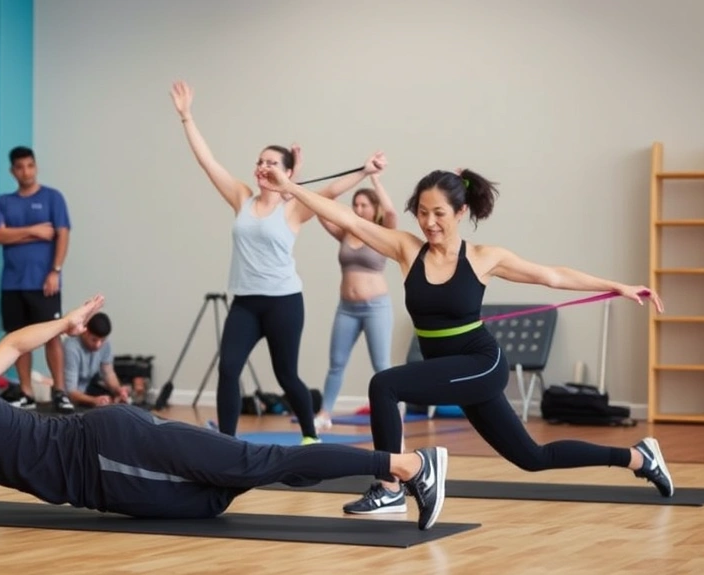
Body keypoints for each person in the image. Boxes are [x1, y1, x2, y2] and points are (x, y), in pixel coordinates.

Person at [257, 163, 675, 516]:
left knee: (385, 384)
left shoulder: (483, 258)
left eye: (438, 213)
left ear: (460, 211)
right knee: (532, 458)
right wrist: (289, 187)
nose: (429, 222)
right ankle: (640, 457)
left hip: (481, 363)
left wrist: (618, 286)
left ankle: (390, 485)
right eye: (421, 213)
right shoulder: (407, 250)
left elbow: (552, 275)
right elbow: (347, 219)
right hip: (450, 370)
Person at [0, 295, 449, 531]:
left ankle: (406, 464)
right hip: (110, 463)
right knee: (215, 497)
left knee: (262, 463)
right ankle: (399, 465)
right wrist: (63, 324)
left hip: (107, 457)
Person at [169, 80, 385, 443]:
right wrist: (187, 117)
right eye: (260, 161)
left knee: (287, 377)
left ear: (285, 171)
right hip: (246, 302)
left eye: (272, 162)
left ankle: (309, 436)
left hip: (284, 303)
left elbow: (331, 191)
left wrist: (365, 171)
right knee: (228, 369)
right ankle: (226, 444)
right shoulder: (241, 197)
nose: (262, 166)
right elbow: (208, 162)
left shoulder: (294, 208)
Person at [0, 146, 74, 414]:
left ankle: (60, 391)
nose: (26, 171)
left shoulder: (52, 198)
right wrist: (34, 230)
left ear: (35, 166)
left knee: (52, 337)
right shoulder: (3, 202)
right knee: (18, 339)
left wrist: (55, 271)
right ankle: (26, 392)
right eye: (20, 167)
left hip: (44, 282)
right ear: (12, 171)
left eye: (29, 165)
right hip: (12, 283)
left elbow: (61, 234)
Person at [315, 174, 398, 432]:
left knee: (381, 366)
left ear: (374, 210)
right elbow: (320, 205)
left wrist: (375, 179)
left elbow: (391, 211)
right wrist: (356, 176)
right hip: (347, 309)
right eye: (356, 204)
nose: (359, 209)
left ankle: (394, 412)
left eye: (365, 205)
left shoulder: (383, 232)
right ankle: (324, 413)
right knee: (336, 364)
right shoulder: (344, 232)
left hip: (376, 308)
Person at [62, 312, 134, 407]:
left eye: (102, 340)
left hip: (87, 389)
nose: (98, 345)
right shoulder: (71, 347)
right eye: (94, 340)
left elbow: (108, 373)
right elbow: (70, 392)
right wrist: (94, 400)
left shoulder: (106, 344)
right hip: (68, 398)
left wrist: (118, 390)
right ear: (84, 331)